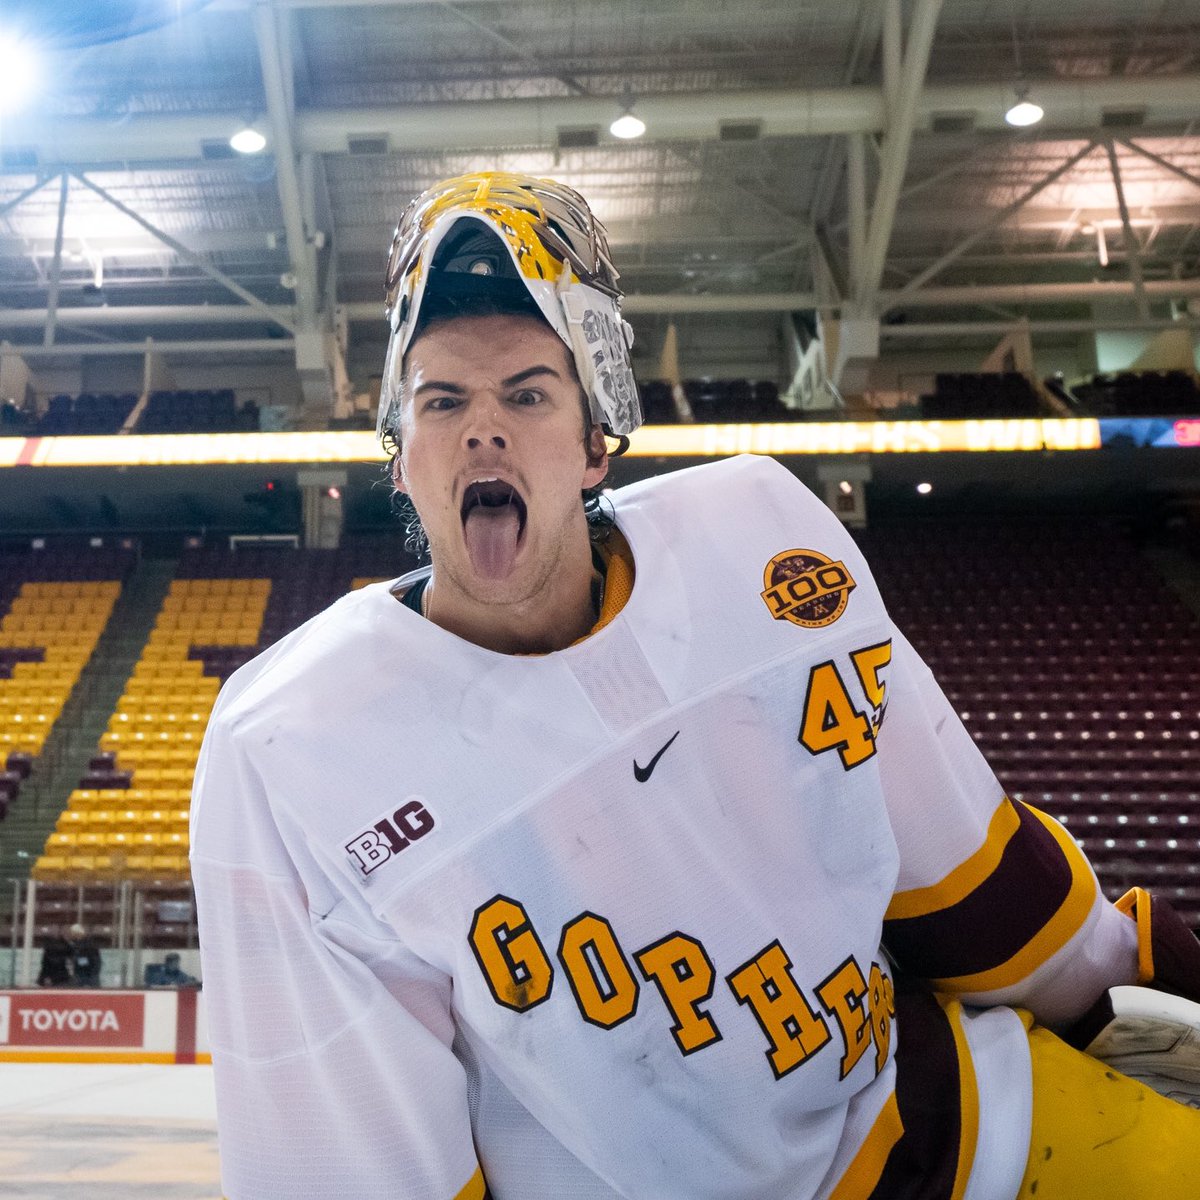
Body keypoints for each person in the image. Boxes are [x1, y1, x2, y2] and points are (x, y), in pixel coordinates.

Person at [191, 172, 1200, 1200]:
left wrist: (1134, 993)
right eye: (442, 401)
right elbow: (353, 1162)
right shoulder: (289, 746)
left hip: (957, 1133)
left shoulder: (760, 542)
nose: (482, 430)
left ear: (596, 445)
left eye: (529, 394)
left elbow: (971, 879)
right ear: (400, 461)